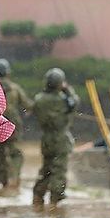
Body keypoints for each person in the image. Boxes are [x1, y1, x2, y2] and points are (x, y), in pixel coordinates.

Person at [31, 68, 79, 207]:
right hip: (61, 139)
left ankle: (38, 196)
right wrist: (67, 89)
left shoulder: (39, 99)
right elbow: (75, 102)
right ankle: (55, 201)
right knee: (59, 170)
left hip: (46, 139)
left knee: (46, 169)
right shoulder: (64, 100)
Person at [0, 59, 33, 190]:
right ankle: (14, 178)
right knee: (15, 152)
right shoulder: (15, 88)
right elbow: (28, 105)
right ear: (8, 73)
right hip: (12, 124)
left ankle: (3, 181)